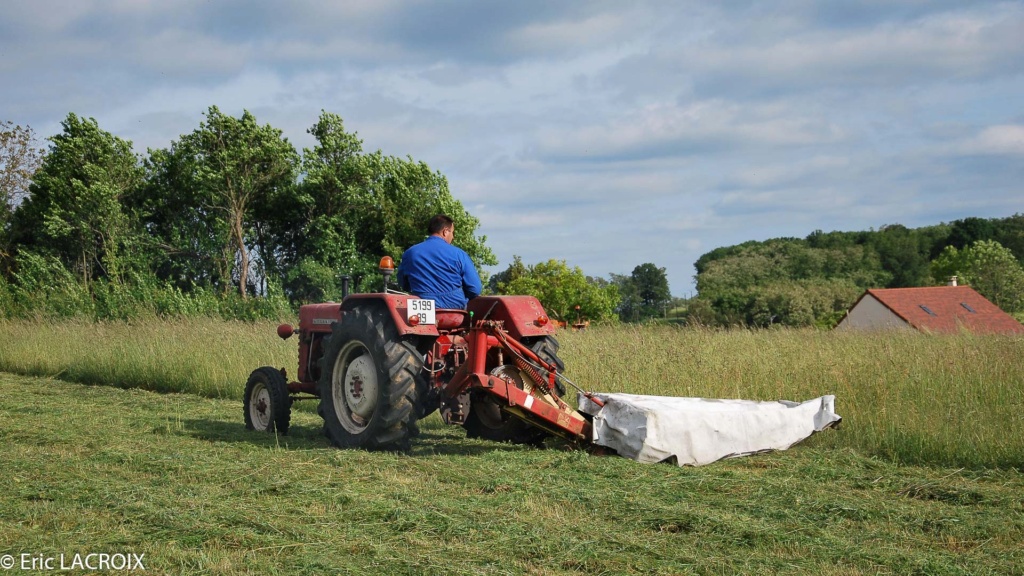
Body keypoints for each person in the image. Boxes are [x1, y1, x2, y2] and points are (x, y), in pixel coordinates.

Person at [396, 214, 482, 309]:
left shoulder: (410, 253)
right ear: (445, 232)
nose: (452, 237)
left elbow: (403, 284)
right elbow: (475, 289)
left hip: (420, 309)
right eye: (452, 233)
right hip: (454, 312)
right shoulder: (459, 254)